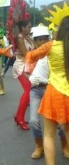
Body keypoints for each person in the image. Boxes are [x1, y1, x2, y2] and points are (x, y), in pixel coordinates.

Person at [26, 16, 69, 164]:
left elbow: (30, 56)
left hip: (53, 92)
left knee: (49, 135)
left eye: (44, 38)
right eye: (39, 39)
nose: (42, 41)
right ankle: (50, 147)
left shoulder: (51, 46)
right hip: (62, 92)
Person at [13, 20, 37, 130]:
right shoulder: (19, 38)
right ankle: (20, 118)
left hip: (29, 66)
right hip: (21, 66)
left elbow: (37, 47)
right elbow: (26, 55)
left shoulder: (28, 37)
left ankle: (18, 116)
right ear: (23, 28)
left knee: (29, 91)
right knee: (28, 91)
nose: (30, 28)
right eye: (29, 27)